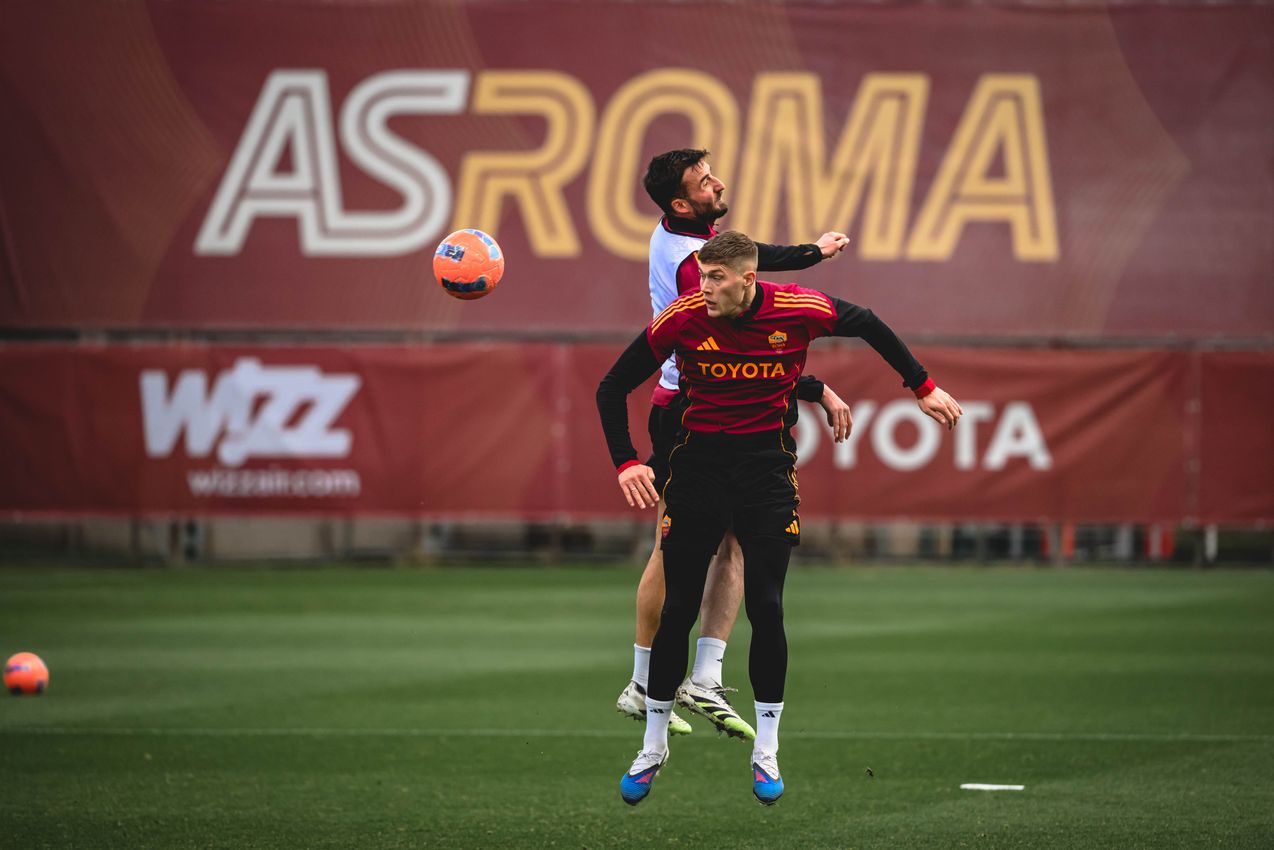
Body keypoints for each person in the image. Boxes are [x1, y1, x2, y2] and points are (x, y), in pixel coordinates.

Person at [597, 231, 962, 806]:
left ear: (748, 279)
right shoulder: (684, 316)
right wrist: (624, 462)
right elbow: (613, 384)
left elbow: (867, 321)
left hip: (766, 470)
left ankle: (766, 748)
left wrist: (923, 386)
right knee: (677, 610)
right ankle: (652, 744)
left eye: (715, 278)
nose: (702, 287)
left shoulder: (799, 307)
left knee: (768, 607)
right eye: (701, 275)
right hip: (696, 471)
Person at [616, 149, 853, 742]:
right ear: (679, 202)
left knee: (736, 541)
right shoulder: (692, 264)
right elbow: (742, 340)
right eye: (703, 180)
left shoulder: (691, 234)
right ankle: (646, 682)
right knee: (673, 550)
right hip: (688, 409)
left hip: (700, 401)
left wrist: (808, 254)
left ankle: (701, 674)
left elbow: (750, 262)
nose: (717, 182)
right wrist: (811, 257)